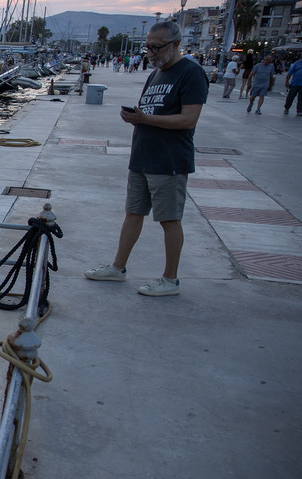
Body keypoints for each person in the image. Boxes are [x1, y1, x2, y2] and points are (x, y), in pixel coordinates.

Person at [84, 20, 208, 297]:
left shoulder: (191, 73)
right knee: (133, 213)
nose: (150, 53)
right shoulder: (156, 74)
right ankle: (118, 268)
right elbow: (151, 111)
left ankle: (169, 280)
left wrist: (145, 119)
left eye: (156, 47)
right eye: (147, 47)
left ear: (175, 44)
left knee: (169, 219)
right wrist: (136, 118)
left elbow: (189, 119)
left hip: (169, 160)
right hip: (142, 156)